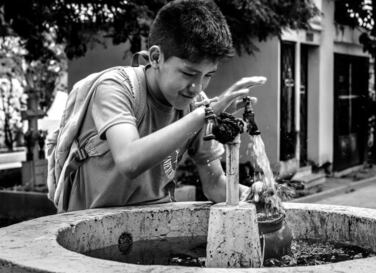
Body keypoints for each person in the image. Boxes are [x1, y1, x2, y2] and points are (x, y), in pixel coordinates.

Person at [64, 0, 267, 211]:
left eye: (208, 76)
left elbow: (215, 184)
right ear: (155, 57)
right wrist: (203, 115)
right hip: (91, 230)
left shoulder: (196, 106)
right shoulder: (115, 88)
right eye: (188, 73)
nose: (196, 87)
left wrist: (252, 194)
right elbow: (128, 160)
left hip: (156, 229)